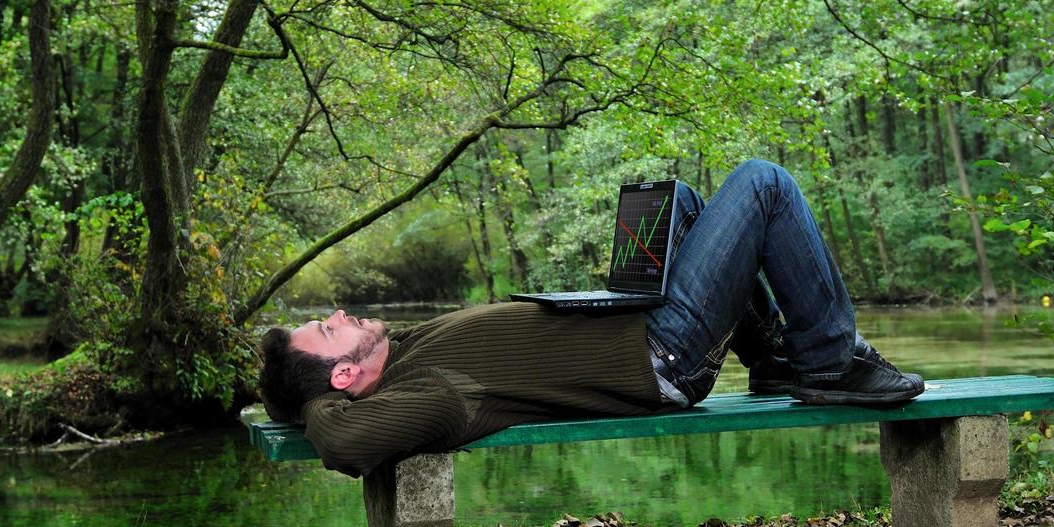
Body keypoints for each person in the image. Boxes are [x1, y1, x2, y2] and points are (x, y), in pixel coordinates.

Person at [258, 160, 924, 477]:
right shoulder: (427, 396)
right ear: (342, 375)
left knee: (681, 202)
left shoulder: (404, 352)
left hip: (644, 331)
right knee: (765, 184)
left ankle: (774, 359)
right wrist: (311, 409)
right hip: (660, 359)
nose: (338, 312)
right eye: (326, 328)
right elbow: (344, 443)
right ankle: (831, 360)